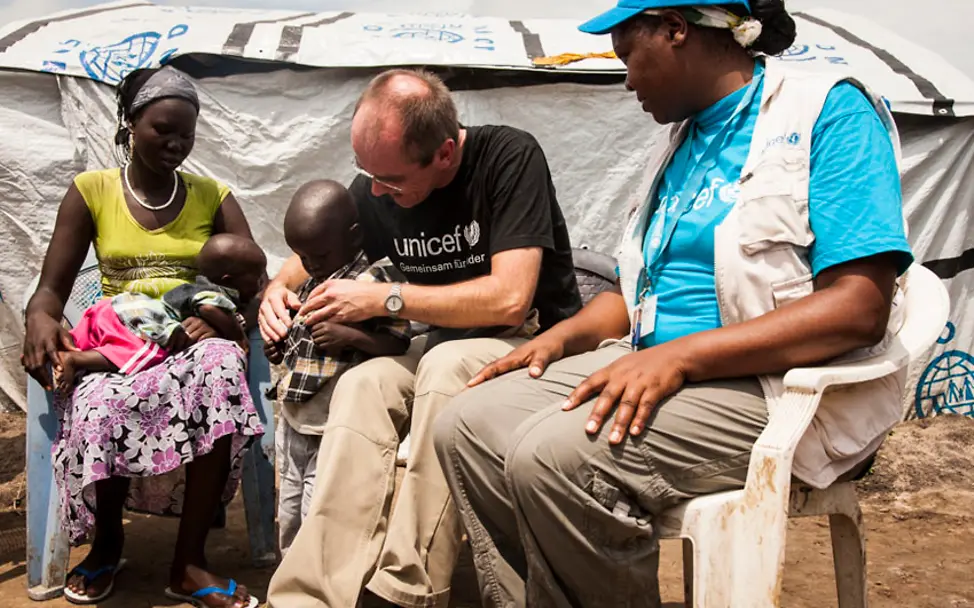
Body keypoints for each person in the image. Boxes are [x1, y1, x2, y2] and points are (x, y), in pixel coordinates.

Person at [432, 1, 915, 606]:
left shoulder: (827, 111)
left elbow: (857, 308)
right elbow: (640, 297)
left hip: (777, 385)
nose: (627, 79)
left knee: (558, 457)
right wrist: (563, 338)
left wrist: (680, 357)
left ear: (676, 29)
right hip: (661, 362)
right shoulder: (682, 144)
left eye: (629, 57)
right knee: (464, 423)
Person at [262, 69, 582, 607]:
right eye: (369, 176)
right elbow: (311, 252)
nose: (376, 191)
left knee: (445, 365)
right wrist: (276, 288)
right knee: (364, 383)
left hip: (528, 347)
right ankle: (312, 593)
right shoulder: (379, 181)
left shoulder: (508, 157)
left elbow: (510, 298)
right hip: (436, 345)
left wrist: (387, 299)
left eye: (389, 180)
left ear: (445, 154)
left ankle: (406, 588)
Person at [21, 66, 263, 608]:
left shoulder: (213, 195)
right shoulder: (92, 191)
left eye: (186, 135)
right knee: (99, 400)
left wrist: (221, 319)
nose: (176, 144)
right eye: (162, 130)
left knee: (222, 370)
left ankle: (190, 562)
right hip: (117, 339)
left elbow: (252, 281)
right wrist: (39, 318)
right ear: (130, 124)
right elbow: (50, 289)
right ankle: (107, 542)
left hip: (191, 338)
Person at [265, 180, 412, 555]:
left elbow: (397, 343)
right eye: (301, 255)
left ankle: (319, 585)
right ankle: (290, 582)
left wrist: (352, 337)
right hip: (296, 419)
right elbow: (298, 347)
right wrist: (277, 347)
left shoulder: (372, 284)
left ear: (354, 236)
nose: (310, 264)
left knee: (321, 513)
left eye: (319, 255)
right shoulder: (308, 282)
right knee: (290, 510)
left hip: (334, 425)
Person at [55, 233, 266, 393]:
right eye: (256, 279)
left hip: (114, 308)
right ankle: (77, 360)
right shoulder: (215, 294)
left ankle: (61, 353)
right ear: (228, 280)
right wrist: (239, 337)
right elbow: (209, 308)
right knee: (146, 354)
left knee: (97, 339)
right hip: (137, 316)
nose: (260, 284)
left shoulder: (194, 286)